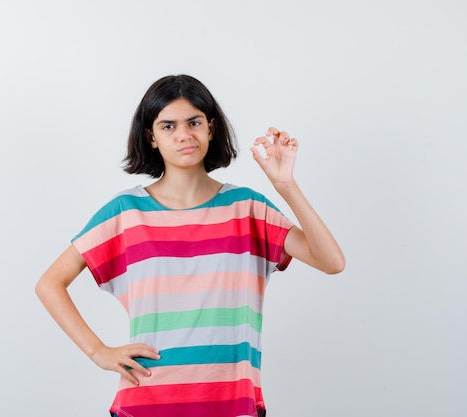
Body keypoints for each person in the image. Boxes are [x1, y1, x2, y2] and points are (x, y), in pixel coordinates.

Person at [35, 74, 345, 417]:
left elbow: (331, 262)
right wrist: (97, 352)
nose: (184, 134)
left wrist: (285, 185)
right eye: (168, 126)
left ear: (211, 129)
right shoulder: (125, 213)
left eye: (193, 122)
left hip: (232, 404)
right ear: (151, 137)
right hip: (146, 401)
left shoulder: (247, 208)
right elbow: (50, 284)